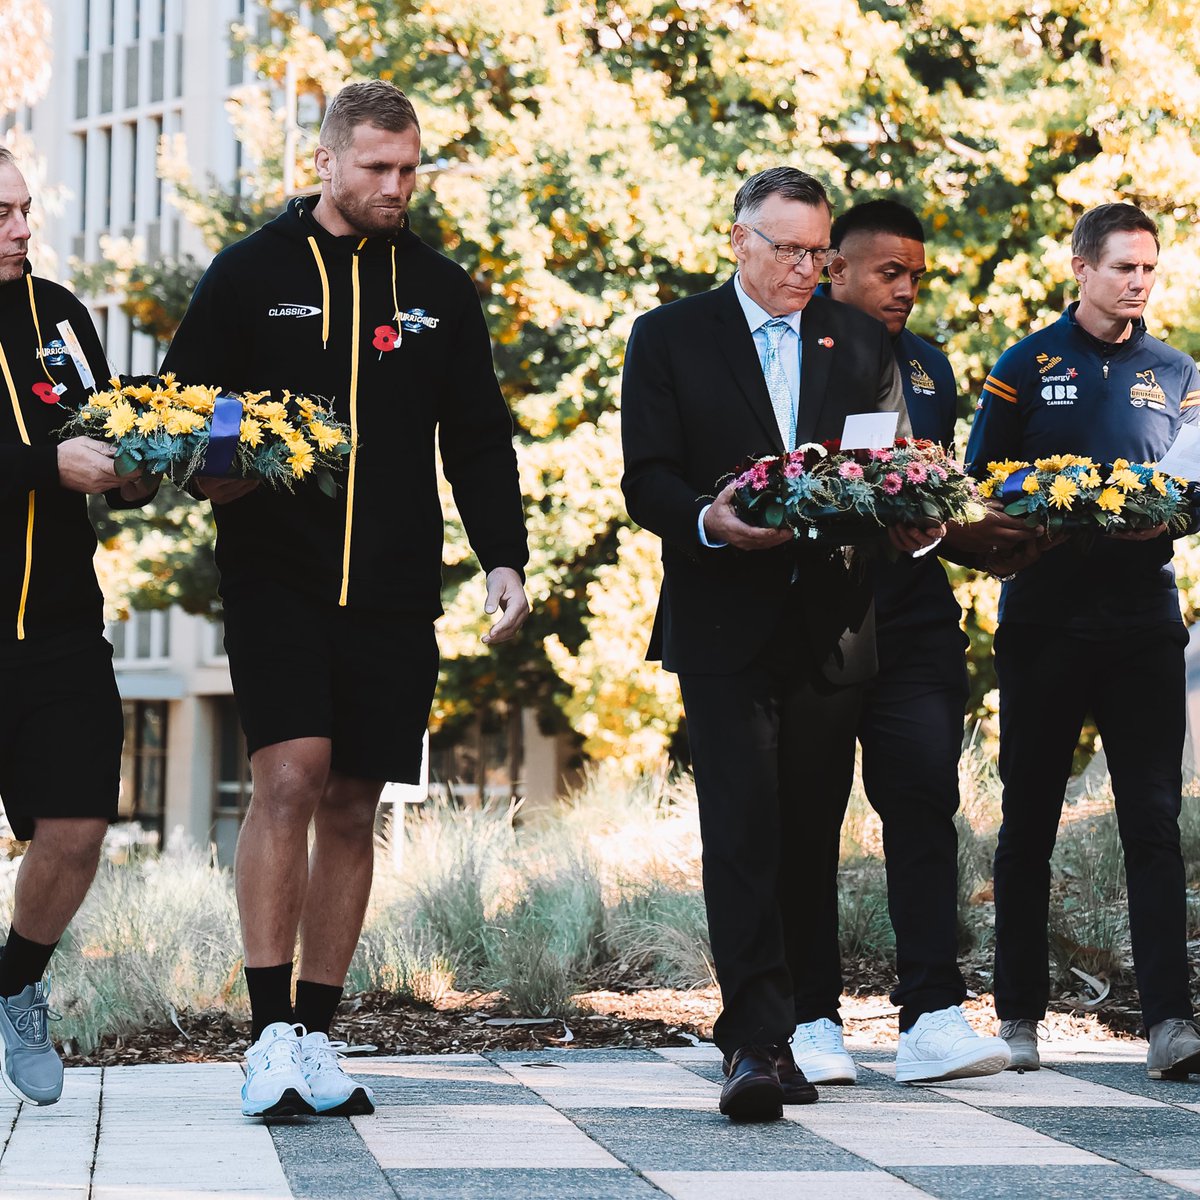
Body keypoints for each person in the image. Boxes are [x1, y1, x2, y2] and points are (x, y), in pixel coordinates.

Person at [161, 81, 530, 1117]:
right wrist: (209, 467)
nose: (395, 186)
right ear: (324, 163)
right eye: (376, 168)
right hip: (276, 575)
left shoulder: (442, 289)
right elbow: (180, 411)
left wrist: (504, 557)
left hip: (397, 586)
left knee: (353, 800)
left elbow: (478, 436)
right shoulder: (248, 274)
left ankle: (317, 1040)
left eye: (409, 169)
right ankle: (265, 1034)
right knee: (290, 779)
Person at [621, 166, 940, 1122]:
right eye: (790, 249)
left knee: (807, 835)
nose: (808, 268)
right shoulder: (669, 336)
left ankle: (801, 1028)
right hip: (722, 623)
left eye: (820, 253)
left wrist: (917, 517)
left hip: (832, 626)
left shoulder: (861, 347)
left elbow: (896, 471)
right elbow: (648, 482)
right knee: (742, 833)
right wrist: (712, 521)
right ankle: (753, 1044)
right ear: (738, 241)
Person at [783, 199, 1019, 1084]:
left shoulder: (927, 365)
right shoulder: (788, 350)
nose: (907, 290)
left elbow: (930, 496)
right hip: (821, 616)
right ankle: (810, 1019)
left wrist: (992, 536)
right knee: (806, 819)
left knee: (924, 805)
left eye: (917, 274)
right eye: (890, 271)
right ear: (834, 266)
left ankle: (932, 1015)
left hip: (917, 620)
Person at [965, 202, 1200, 1079]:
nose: (1137, 282)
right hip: (1043, 621)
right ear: (1080, 267)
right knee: (1028, 822)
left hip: (1142, 623)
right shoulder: (1026, 365)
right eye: (1122, 267)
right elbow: (982, 480)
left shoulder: (1179, 374)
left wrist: (1167, 514)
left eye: (1149, 269)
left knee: (1152, 822)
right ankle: (1018, 1017)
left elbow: (1197, 490)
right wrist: (1035, 512)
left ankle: (1170, 1023)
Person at [0, 147, 152, 1105]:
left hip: (58, 627)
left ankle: (15, 985)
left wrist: (138, 465)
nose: (20, 227)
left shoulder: (59, 313)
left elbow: (98, 434)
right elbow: (42, 461)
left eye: (22, 209)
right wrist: (38, 469)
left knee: (80, 825)